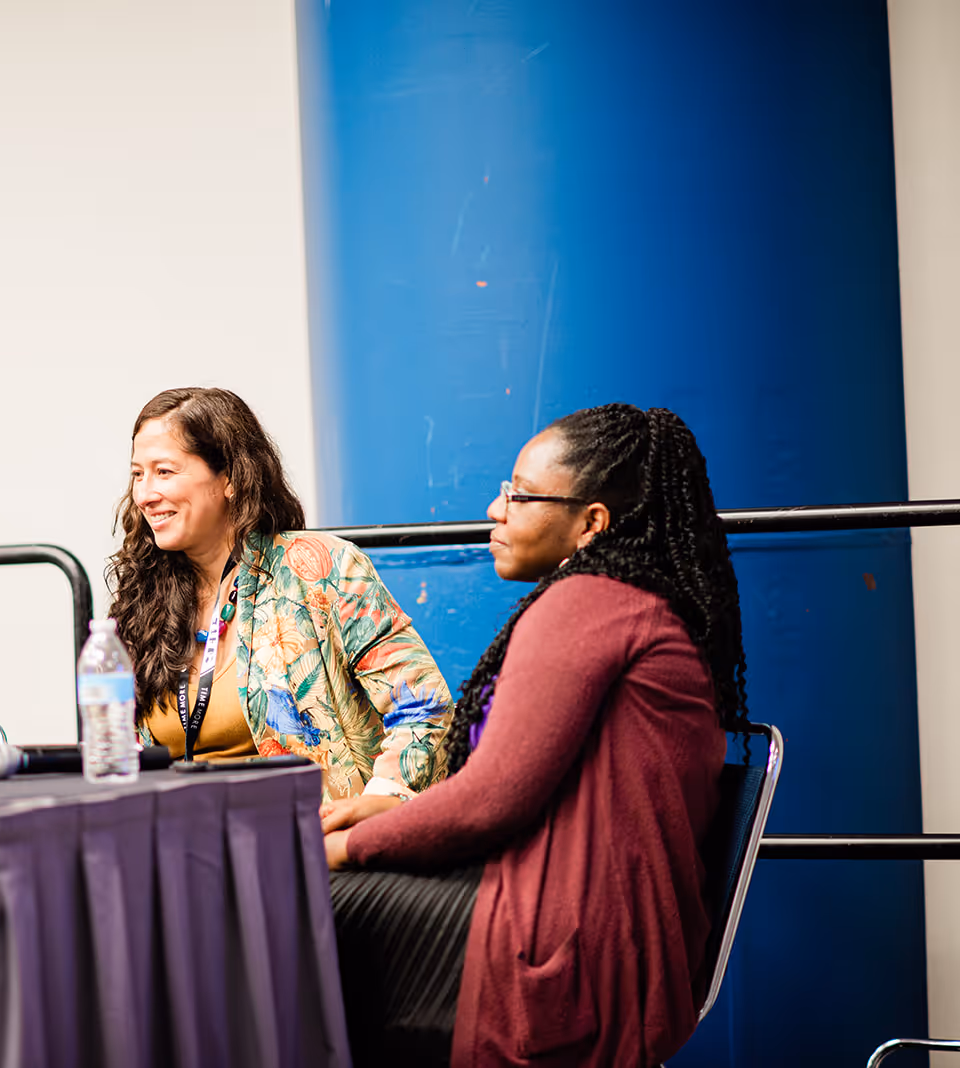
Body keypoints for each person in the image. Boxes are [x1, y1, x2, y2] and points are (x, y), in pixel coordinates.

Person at [320, 404, 748, 1067]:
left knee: (291, 908)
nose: (496, 509)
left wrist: (351, 847)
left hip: (569, 951)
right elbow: (521, 786)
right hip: (605, 935)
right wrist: (395, 813)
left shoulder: (588, 604)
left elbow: (493, 800)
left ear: (592, 524)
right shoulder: (624, 602)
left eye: (519, 495)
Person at [109, 387, 455, 801]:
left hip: (313, 843)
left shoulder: (319, 567)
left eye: (164, 472)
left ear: (231, 479)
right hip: (182, 841)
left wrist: (379, 802)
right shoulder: (142, 598)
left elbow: (424, 707)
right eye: (137, 474)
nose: (145, 495)